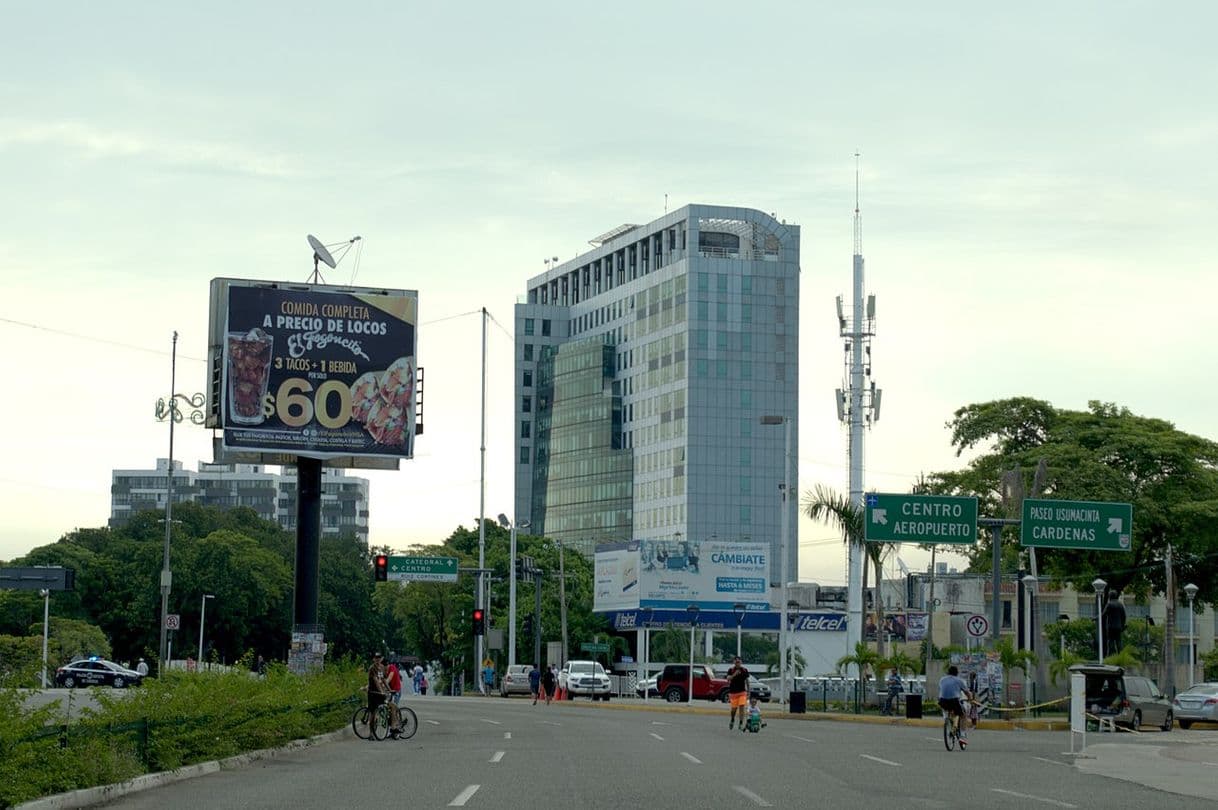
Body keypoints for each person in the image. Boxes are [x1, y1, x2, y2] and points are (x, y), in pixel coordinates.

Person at [938, 665, 973, 748]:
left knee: (945, 709)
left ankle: (947, 720)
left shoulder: (942, 679)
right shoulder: (959, 680)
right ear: (957, 673)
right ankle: (962, 735)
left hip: (942, 700)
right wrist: (970, 699)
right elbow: (967, 692)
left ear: (948, 672)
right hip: (954, 700)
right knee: (963, 715)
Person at [726, 656, 750, 730]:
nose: (737, 663)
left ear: (741, 662)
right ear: (734, 662)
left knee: (742, 706)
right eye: (736, 662)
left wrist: (748, 691)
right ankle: (732, 719)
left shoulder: (744, 670)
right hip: (733, 692)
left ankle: (741, 723)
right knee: (734, 709)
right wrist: (734, 674)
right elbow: (728, 679)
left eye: (739, 662)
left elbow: (747, 681)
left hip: (742, 692)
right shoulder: (731, 670)